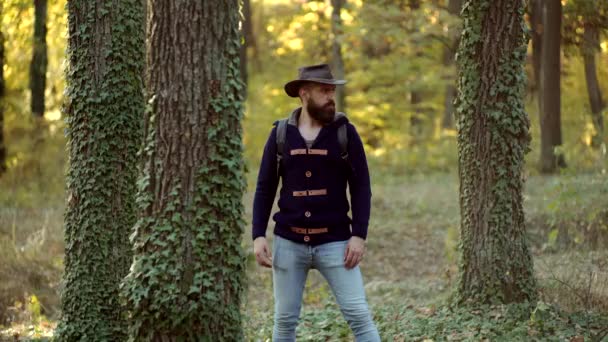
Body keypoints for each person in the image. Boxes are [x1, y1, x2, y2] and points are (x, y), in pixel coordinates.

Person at [252, 63, 380, 341]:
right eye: (324, 91)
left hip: (336, 243)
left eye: (332, 91)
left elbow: (361, 188)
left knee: (359, 316)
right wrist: (258, 235)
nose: (331, 97)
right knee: (284, 322)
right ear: (304, 93)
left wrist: (359, 235)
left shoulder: (346, 133)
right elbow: (265, 187)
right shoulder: (280, 135)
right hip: (289, 242)